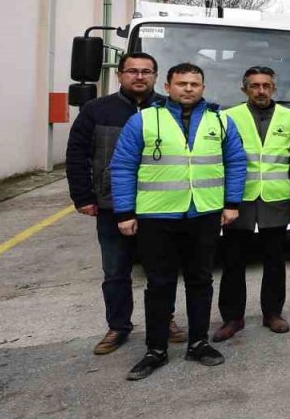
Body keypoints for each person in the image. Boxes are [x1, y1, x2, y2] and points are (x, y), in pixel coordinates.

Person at [109, 63, 247, 380]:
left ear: (203, 87)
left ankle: (198, 343)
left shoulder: (220, 121)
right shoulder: (143, 120)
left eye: (194, 84)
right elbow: (122, 167)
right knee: (159, 285)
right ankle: (155, 350)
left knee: (200, 281)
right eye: (181, 83)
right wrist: (125, 212)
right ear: (168, 86)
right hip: (157, 216)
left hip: (205, 214)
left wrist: (231, 203)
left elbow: (236, 162)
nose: (188, 89)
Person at [65, 52, 185, 355]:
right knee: (116, 271)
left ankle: (164, 319)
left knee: (161, 271)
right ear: (120, 75)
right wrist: (83, 197)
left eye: (147, 71)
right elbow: (77, 156)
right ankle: (118, 326)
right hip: (112, 206)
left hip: (158, 204)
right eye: (132, 71)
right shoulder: (96, 110)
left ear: (157, 77)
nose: (140, 77)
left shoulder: (170, 110)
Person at [213, 67, 290, 341]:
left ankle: (272, 313)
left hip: (275, 199)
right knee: (233, 261)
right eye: (254, 86)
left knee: (275, 261)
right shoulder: (228, 117)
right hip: (238, 199)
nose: (261, 90)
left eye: (266, 85)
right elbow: (219, 160)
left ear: (274, 89)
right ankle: (232, 318)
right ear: (244, 89)